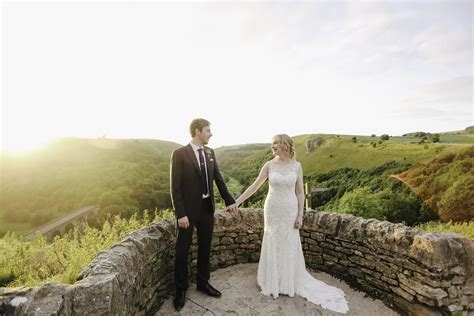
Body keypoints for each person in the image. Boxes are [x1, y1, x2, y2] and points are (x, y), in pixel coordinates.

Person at [235, 134, 349, 313]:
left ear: (285, 145)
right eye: (272, 144)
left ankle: (288, 282)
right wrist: (237, 202)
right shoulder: (269, 165)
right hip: (272, 209)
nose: (273, 147)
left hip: (289, 210)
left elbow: (300, 193)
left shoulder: (297, 166)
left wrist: (300, 215)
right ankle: (272, 281)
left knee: (288, 242)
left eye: (276, 144)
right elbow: (254, 186)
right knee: (274, 241)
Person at [170, 118, 237, 311]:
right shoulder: (180, 154)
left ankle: (203, 283)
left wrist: (229, 200)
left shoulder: (210, 152)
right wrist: (180, 214)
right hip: (187, 213)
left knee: (205, 248)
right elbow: (175, 188)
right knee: (182, 251)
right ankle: (180, 290)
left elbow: (218, 178)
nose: (211, 134)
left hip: (207, 209)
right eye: (208, 130)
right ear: (198, 131)